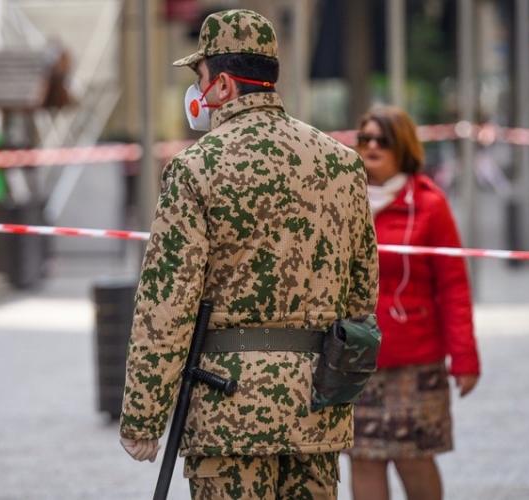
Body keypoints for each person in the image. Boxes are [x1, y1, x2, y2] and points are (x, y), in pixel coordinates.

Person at [118, 9, 379, 500]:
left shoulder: (195, 169)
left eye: (199, 77)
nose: (195, 91)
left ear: (222, 86)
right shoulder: (343, 164)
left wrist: (143, 414)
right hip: (317, 405)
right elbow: (362, 293)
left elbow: (165, 305)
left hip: (227, 408)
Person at [347, 107, 481, 500]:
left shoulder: (430, 204)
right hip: (355, 357)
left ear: (402, 148)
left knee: (414, 456)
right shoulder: (340, 199)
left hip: (414, 360)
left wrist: (465, 358)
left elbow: (453, 286)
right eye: (364, 138)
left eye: (382, 140)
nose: (371, 146)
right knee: (363, 456)